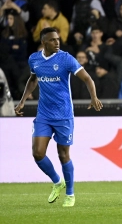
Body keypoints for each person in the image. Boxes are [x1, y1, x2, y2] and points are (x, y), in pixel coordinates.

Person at [14, 27, 103, 207]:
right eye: (53, 40)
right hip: (44, 114)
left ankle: (70, 194)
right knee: (38, 153)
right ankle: (57, 181)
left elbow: (87, 78)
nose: (57, 42)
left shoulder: (66, 59)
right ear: (43, 42)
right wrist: (23, 100)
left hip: (63, 115)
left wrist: (93, 97)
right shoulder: (35, 59)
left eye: (58, 39)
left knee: (63, 155)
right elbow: (33, 79)